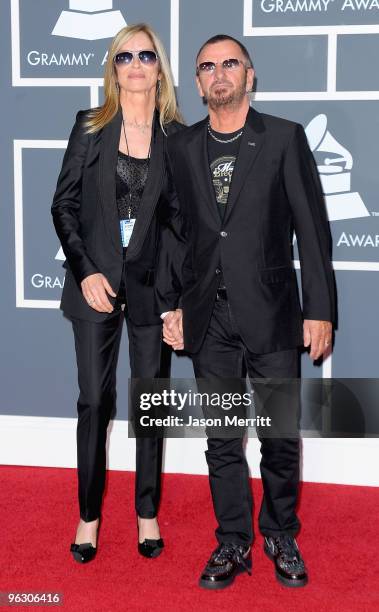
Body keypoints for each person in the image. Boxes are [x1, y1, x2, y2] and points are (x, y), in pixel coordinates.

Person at [157, 34, 335, 589]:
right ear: (198, 81)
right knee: (222, 439)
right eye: (206, 67)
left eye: (228, 64)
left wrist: (320, 309)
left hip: (274, 314)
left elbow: (312, 230)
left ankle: (281, 531)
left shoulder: (284, 138)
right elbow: (173, 234)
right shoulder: (182, 146)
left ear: (249, 75)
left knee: (279, 434)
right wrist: (173, 304)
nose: (218, 74)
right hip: (209, 318)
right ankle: (233, 542)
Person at [51, 23, 183, 563]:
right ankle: (88, 516)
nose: (135, 62)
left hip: (153, 290)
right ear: (113, 67)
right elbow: (63, 205)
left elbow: (182, 226)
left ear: (158, 68)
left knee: (149, 405)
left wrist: (174, 297)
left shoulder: (178, 136)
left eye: (145, 54)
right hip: (94, 286)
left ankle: (146, 511)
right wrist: (83, 269)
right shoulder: (90, 126)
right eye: (124, 54)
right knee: (93, 402)